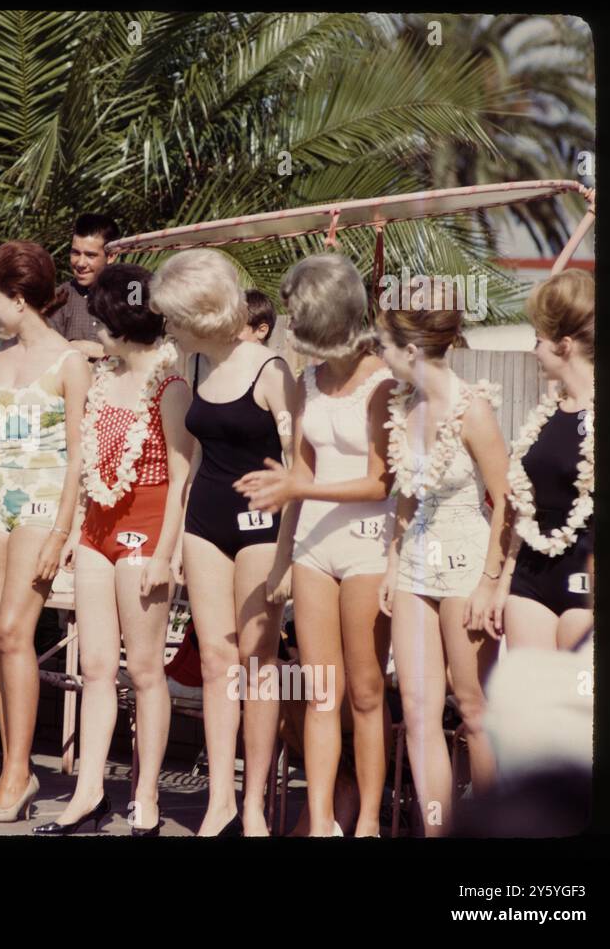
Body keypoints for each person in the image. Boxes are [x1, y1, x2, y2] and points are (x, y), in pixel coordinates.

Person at [235, 254, 397, 836]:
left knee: (366, 693)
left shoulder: (383, 384)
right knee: (320, 691)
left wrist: (299, 485)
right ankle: (324, 817)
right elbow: (296, 475)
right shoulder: (307, 380)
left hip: (366, 545)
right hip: (312, 545)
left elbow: (383, 481)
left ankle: (371, 821)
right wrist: (282, 554)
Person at [33, 264, 191, 836]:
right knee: (97, 667)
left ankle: (144, 795)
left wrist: (165, 553)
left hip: (146, 530)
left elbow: (181, 475)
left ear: (124, 319)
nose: (92, 324)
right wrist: (74, 528)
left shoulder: (170, 387)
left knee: (145, 669)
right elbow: (86, 463)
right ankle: (89, 791)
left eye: (99, 316)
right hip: (98, 526)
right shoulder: (106, 377)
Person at [153, 248, 296, 836]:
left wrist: (287, 554)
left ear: (200, 313)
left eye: (172, 315)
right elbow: (190, 464)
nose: (166, 325)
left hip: (263, 524)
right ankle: (220, 800)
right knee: (214, 662)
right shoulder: (197, 369)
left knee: (256, 664)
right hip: (206, 521)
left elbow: (297, 469)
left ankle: (256, 801)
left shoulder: (272, 370)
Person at [0, 241, 89, 822]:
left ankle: (16, 770)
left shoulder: (70, 362)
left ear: (22, 298)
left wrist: (63, 531)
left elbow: (81, 455)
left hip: (40, 501)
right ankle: (17, 764)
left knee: (14, 629)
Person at [376, 291, 510, 836]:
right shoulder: (406, 406)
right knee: (417, 709)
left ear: (410, 350)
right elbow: (407, 495)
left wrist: (488, 582)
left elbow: (505, 500)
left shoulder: (471, 406)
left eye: (384, 343)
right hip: (413, 567)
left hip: (466, 564)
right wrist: (391, 563)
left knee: (474, 710)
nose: (378, 352)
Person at [493, 270, 594, 651]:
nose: (533, 350)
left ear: (564, 345)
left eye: (539, 340)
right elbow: (525, 508)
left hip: (586, 581)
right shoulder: (548, 412)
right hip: (531, 577)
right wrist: (503, 583)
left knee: (577, 708)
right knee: (530, 706)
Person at [47, 213, 121, 360]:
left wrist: (94, 350)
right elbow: (46, 353)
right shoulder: (58, 297)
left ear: (111, 256)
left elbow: (144, 351)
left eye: (90, 255)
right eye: (75, 253)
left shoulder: (133, 291)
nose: (80, 263)